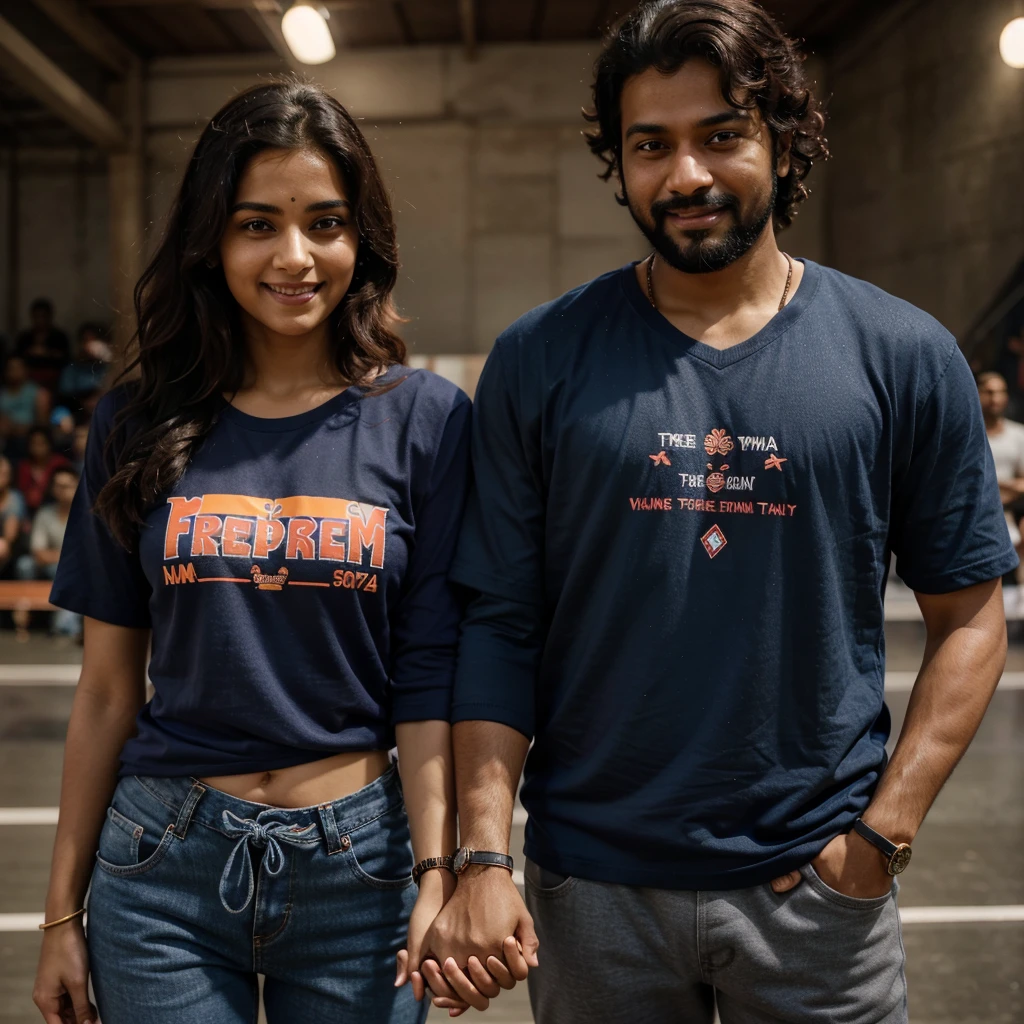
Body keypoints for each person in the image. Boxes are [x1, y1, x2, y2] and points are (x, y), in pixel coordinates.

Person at [417, 3, 1018, 1022]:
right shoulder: (540, 358)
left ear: (785, 142)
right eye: (650, 145)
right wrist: (482, 854)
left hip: (819, 895)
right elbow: (498, 622)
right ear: (617, 160)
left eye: (721, 135)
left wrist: (879, 838)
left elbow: (969, 616)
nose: (685, 176)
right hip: (593, 886)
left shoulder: (903, 355)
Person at [33, 80, 469, 1024]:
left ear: (364, 239)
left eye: (326, 223)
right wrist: (60, 913)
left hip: (363, 870)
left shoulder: (427, 422)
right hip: (161, 870)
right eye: (258, 224)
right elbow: (108, 688)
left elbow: (429, 679)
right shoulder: (137, 423)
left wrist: (439, 875)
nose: (295, 256)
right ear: (212, 242)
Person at [14, 466, 82, 638]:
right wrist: (67, 557)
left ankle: (64, 625)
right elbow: (38, 553)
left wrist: (65, 558)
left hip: (75, 568)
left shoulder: (85, 515)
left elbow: (87, 555)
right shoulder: (45, 514)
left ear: (77, 487)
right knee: (25, 564)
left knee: (73, 570)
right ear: (52, 488)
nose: (62, 490)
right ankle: (23, 615)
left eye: (67, 485)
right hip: (50, 565)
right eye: (58, 485)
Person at [977, 371, 1024, 572]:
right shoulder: (968, 435)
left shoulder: (1018, 435)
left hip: (1008, 522)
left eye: (1000, 392)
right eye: (989, 392)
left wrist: (993, 484)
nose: (995, 398)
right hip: (974, 520)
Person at [14, 298, 71, 392]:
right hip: (28, 378)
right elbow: (17, 358)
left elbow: (66, 358)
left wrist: (47, 353)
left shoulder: (59, 337)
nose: (40, 320)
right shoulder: (24, 337)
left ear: (50, 316)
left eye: (43, 316)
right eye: (37, 316)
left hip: (54, 378)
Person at [58, 323, 111, 418]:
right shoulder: (72, 369)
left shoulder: (109, 368)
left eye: (93, 340)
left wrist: (108, 357)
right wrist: (85, 404)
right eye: (85, 341)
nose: (89, 347)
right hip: (77, 412)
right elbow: (66, 396)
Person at [0, 355, 50, 458]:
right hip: (5, 438)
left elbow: (42, 424)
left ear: (26, 370)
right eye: (11, 368)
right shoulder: (2, 394)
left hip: (28, 438)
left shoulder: (38, 393)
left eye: (18, 367)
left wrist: (18, 429)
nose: (14, 371)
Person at [17, 426, 69, 516]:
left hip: (56, 509)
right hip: (28, 512)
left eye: (42, 443)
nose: (38, 447)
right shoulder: (24, 466)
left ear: (49, 444)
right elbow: (22, 493)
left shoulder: (60, 463)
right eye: (34, 443)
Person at [0, 454, 27, 578]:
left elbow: (9, 537)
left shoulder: (15, 498)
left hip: (11, 547)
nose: (3, 477)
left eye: (5, 474)